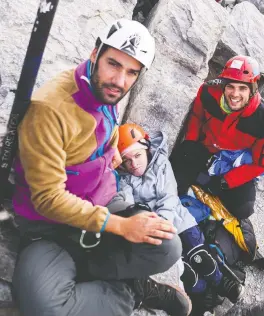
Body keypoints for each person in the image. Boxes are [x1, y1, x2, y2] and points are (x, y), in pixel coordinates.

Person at [12, 19, 191, 316]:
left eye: (131, 72)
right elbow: (46, 199)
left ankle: (96, 268)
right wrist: (122, 226)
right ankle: (132, 290)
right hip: (50, 228)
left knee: (168, 247)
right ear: (95, 53)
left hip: (103, 200)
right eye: (114, 64)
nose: (120, 81)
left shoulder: (106, 92)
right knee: (44, 308)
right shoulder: (51, 109)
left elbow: (102, 130)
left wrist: (109, 154)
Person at [110, 123, 244, 307]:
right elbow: (129, 205)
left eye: (137, 155)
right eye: (126, 160)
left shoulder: (160, 164)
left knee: (200, 255)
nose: (133, 164)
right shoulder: (124, 179)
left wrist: (161, 223)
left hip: (178, 220)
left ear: (147, 149)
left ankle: (223, 284)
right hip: (155, 232)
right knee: (185, 272)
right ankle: (204, 295)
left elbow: (169, 197)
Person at [170, 55, 264, 220]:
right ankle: (200, 183)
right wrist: (191, 146)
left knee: (243, 210)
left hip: (233, 165)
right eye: (231, 87)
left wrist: (226, 181)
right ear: (223, 85)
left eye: (242, 88)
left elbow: (260, 164)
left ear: (253, 89)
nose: (235, 94)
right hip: (204, 150)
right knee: (172, 185)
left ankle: (203, 181)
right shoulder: (208, 92)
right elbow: (196, 117)